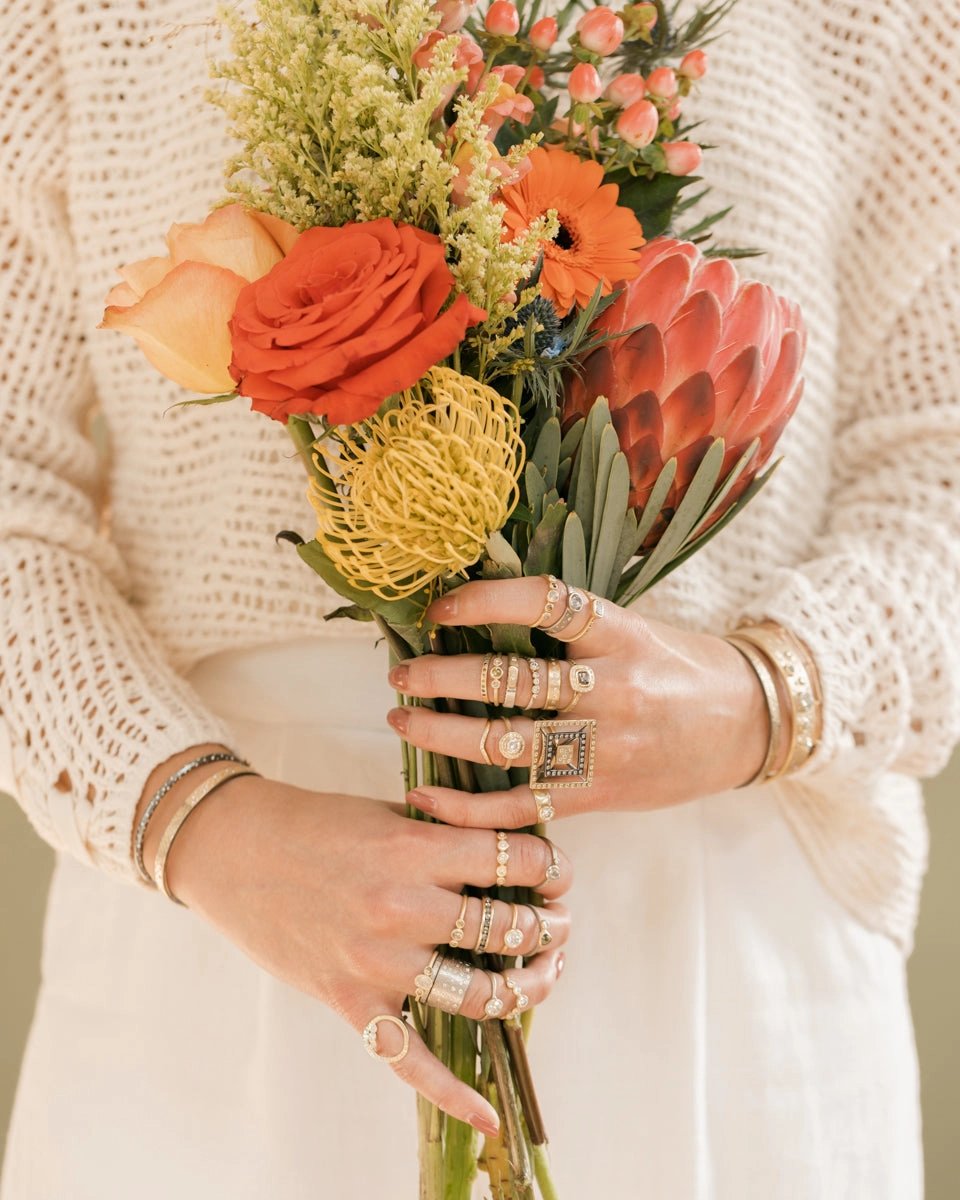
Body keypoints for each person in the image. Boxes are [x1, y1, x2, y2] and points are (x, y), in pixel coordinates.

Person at [1, 0, 958, 1196]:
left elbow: (939, 463)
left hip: (727, 932)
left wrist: (768, 695)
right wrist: (201, 824)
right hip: (220, 924)